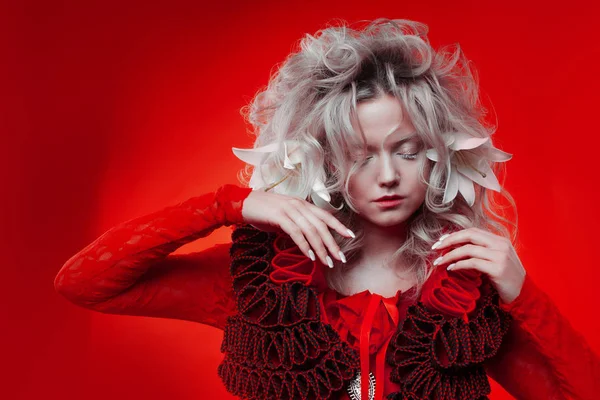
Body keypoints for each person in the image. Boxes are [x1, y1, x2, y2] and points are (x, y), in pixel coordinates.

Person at [54, 18, 600, 400]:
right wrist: (231, 205)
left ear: (436, 156)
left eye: (406, 152)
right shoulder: (267, 286)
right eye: (360, 157)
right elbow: (85, 282)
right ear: (326, 164)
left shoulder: (462, 301)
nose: (388, 175)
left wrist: (522, 292)